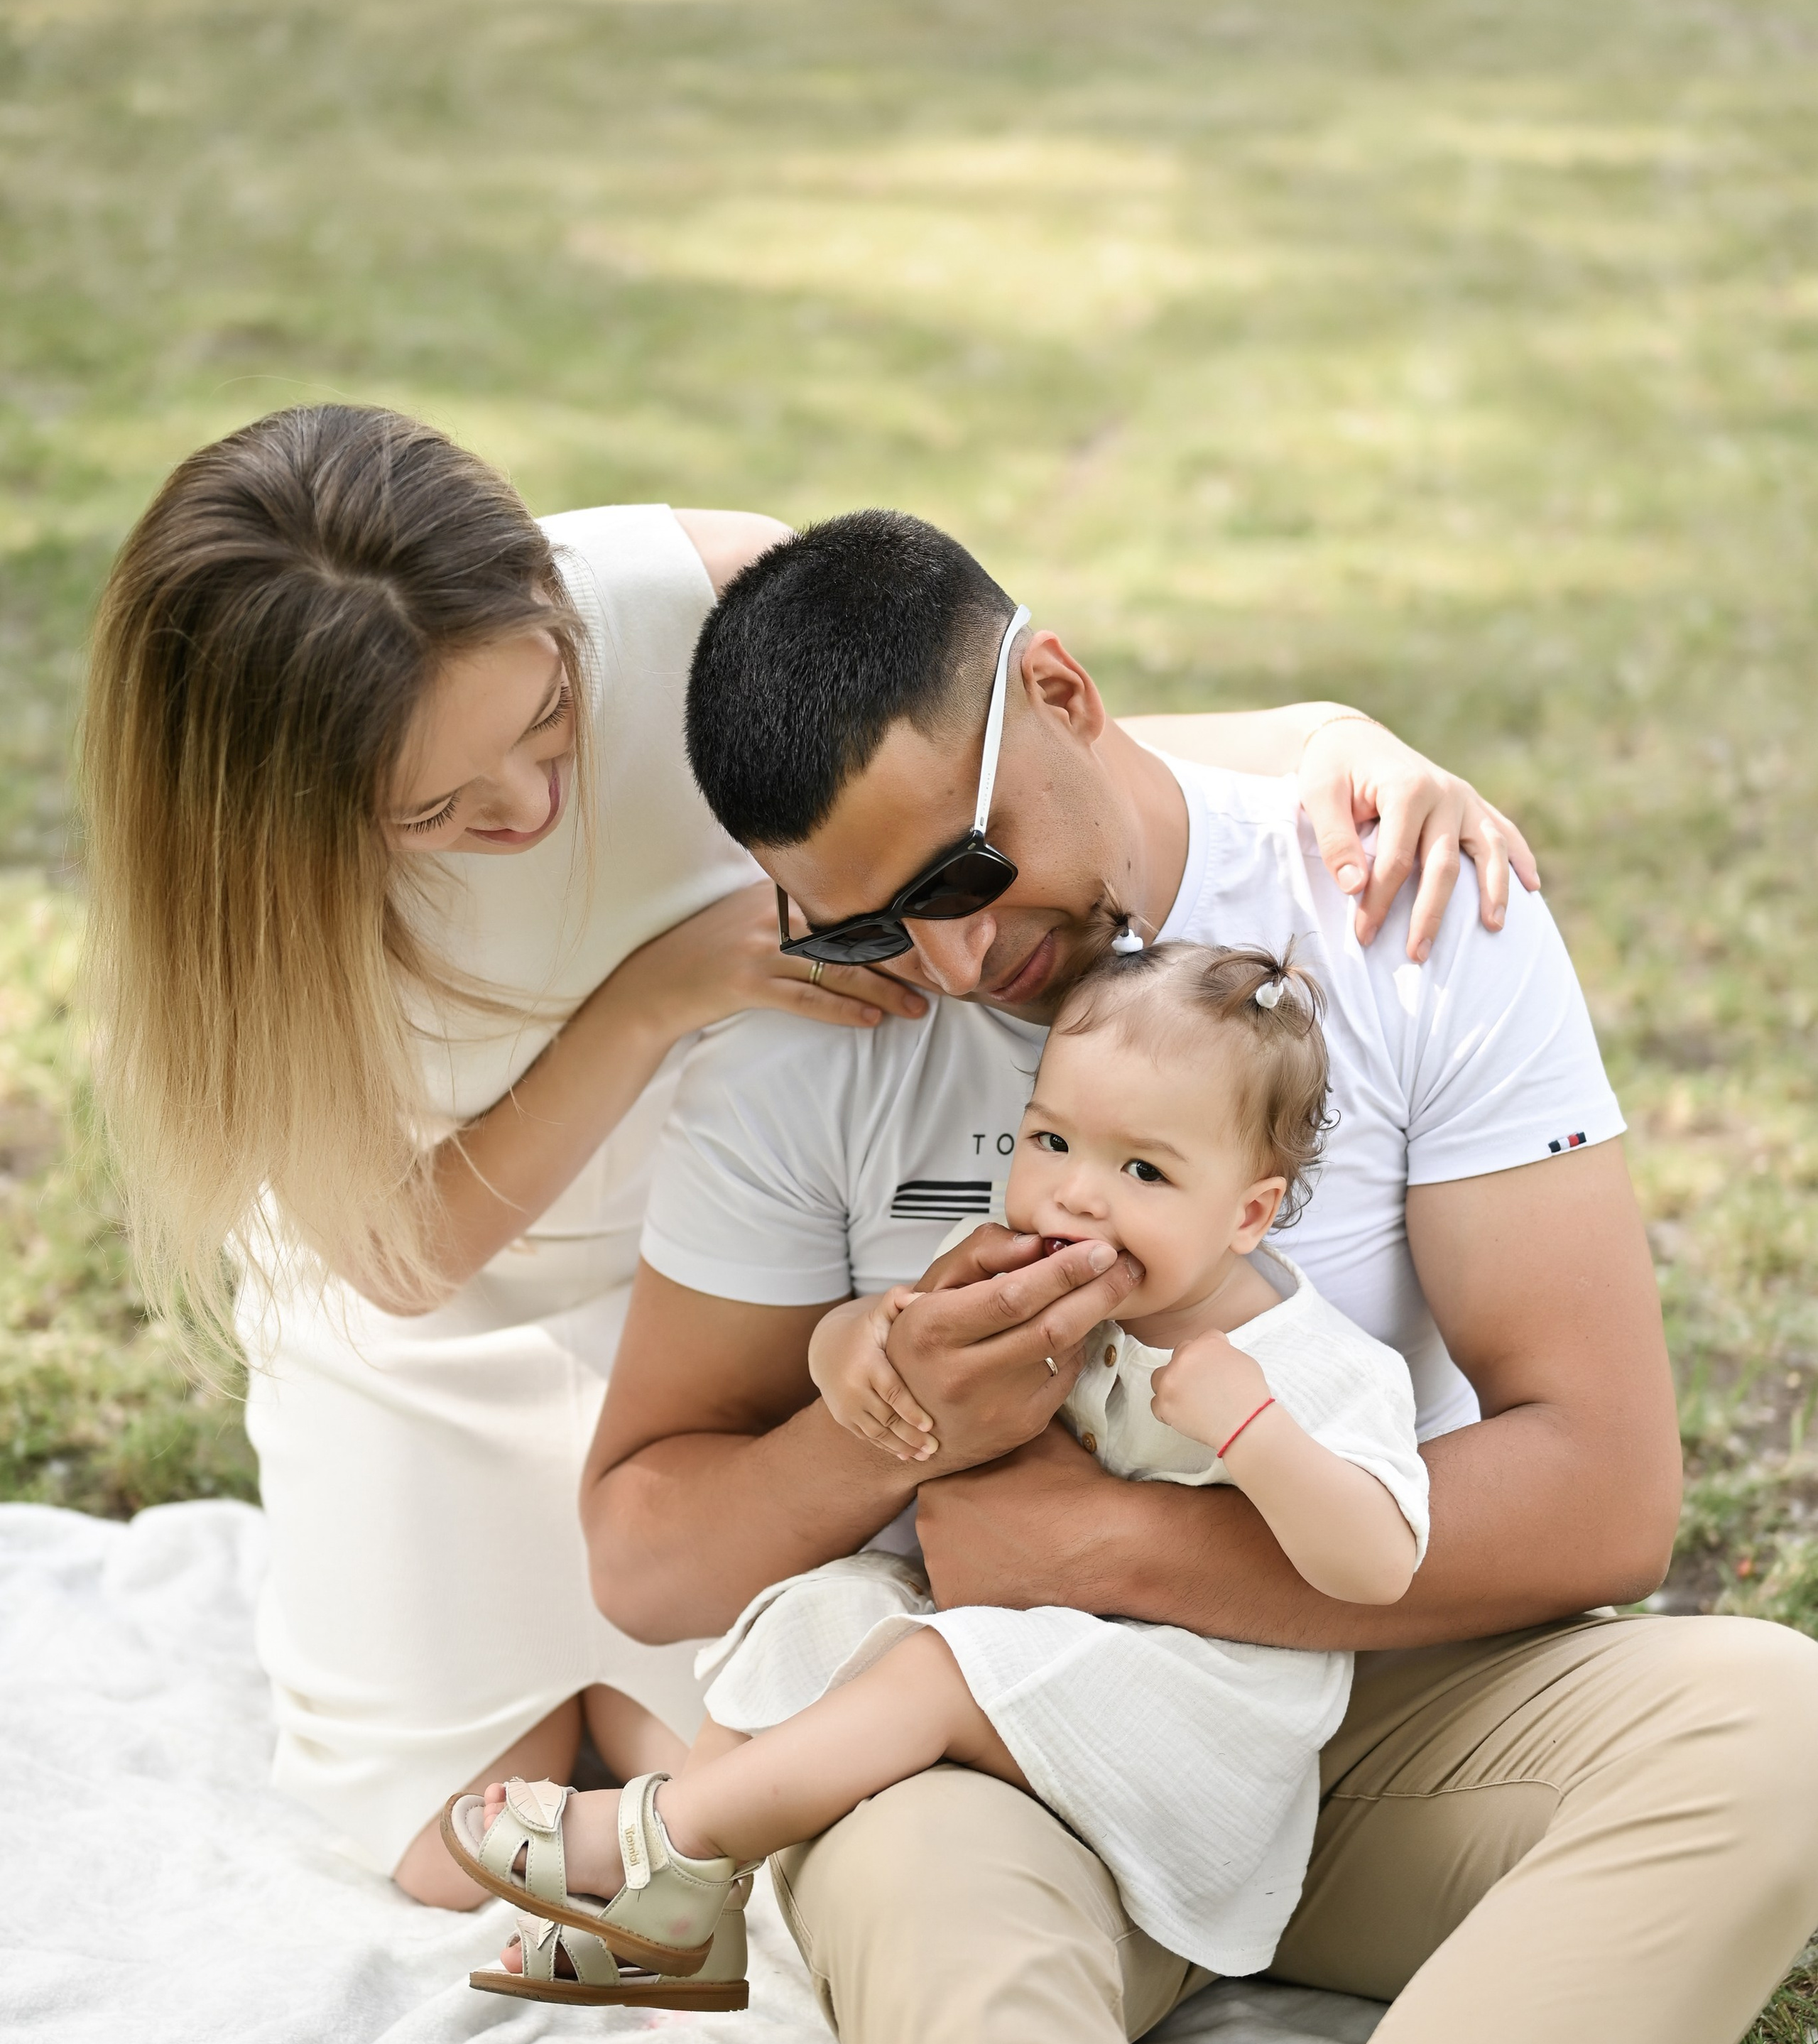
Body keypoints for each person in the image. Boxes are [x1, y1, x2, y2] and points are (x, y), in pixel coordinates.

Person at [582, 507, 1818, 2044]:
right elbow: (644, 1536)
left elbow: (1602, 1492)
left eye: (973, 874)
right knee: (897, 1854)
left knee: (1773, 1725)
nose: (959, 957)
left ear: (1063, 691)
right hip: (985, 1735)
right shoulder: (819, 1040)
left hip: (1337, 1708)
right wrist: (880, 1424)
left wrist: (1115, 1540)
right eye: (869, 919)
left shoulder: (1400, 902)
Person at [76, 405, 1507, 1937]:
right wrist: (660, 994)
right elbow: (408, 1259)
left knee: (809, 1745)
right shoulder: (245, 888)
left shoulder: (686, 599)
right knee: (440, 1850)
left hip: (721, 1273)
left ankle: (662, 1796)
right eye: (435, 812)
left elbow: (999, 737)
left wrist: (1329, 741)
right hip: (434, 1321)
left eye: (548, 716)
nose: (531, 803)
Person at [443, 938, 1426, 1998]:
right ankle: (678, 1919)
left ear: (1249, 1214)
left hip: (1203, 1716)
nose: (1079, 1197)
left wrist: (1254, 1431)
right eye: (1051, 1140)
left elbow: (1377, 1566)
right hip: (1043, 1653)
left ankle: (653, 1833)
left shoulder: (1305, 1362)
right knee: (820, 1606)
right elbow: (867, 1333)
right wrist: (855, 1348)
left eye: (1143, 1171)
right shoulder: (1030, 1286)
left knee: (931, 1669)